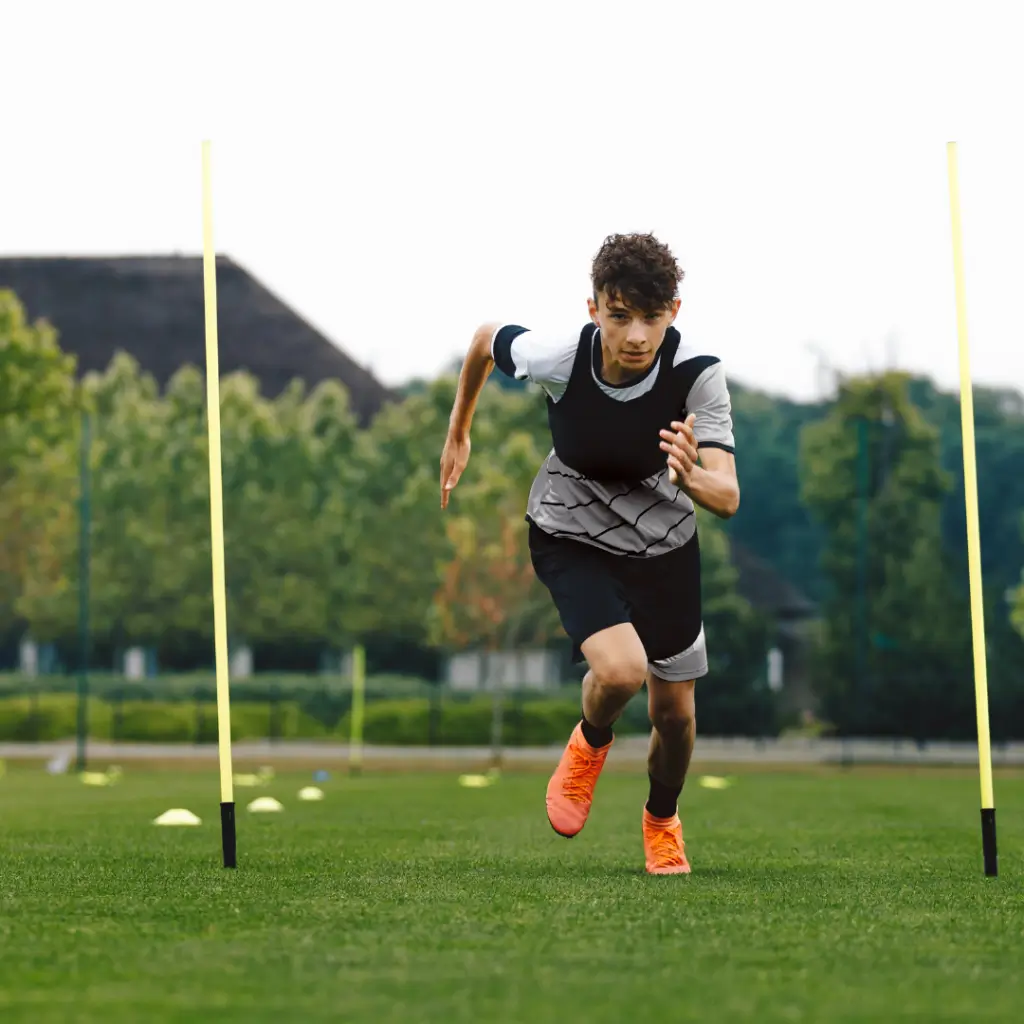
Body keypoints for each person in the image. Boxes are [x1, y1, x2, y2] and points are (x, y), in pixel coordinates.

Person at [439, 233, 739, 874]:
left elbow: (728, 494)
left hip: (662, 545)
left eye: (651, 317)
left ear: (674, 312)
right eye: (619, 314)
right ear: (594, 307)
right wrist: (459, 428)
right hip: (569, 531)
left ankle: (662, 817)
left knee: (676, 718)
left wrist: (690, 478)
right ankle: (590, 743)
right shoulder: (559, 357)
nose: (635, 334)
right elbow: (483, 339)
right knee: (622, 670)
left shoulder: (697, 377)